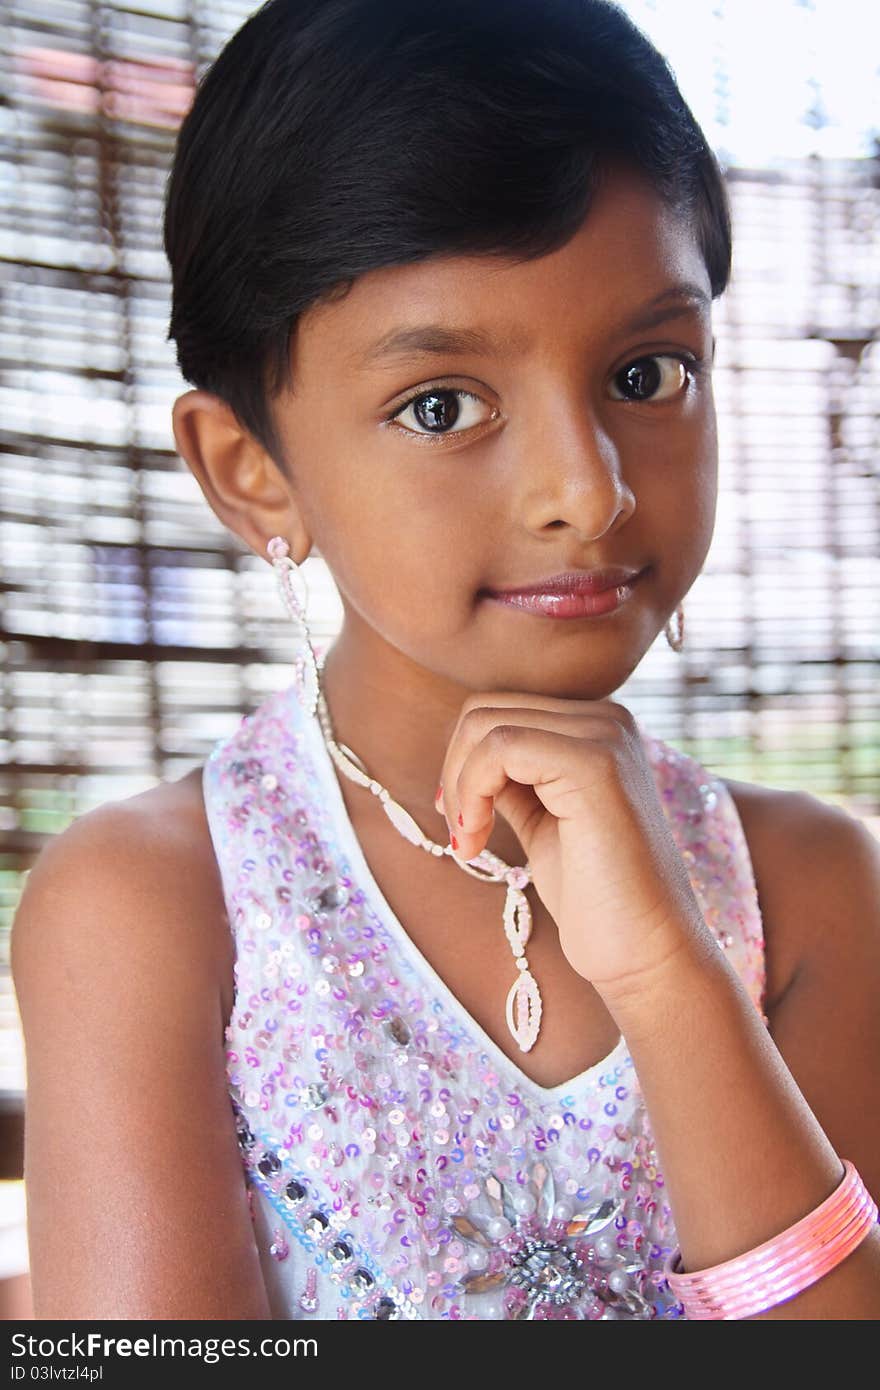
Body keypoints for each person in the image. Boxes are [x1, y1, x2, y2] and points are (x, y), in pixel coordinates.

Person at [11, 0, 880, 1321]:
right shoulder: (155, 910)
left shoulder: (809, 893)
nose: (585, 494)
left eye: (648, 374)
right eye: (441, 406)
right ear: (252, 474)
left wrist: (668, 972)